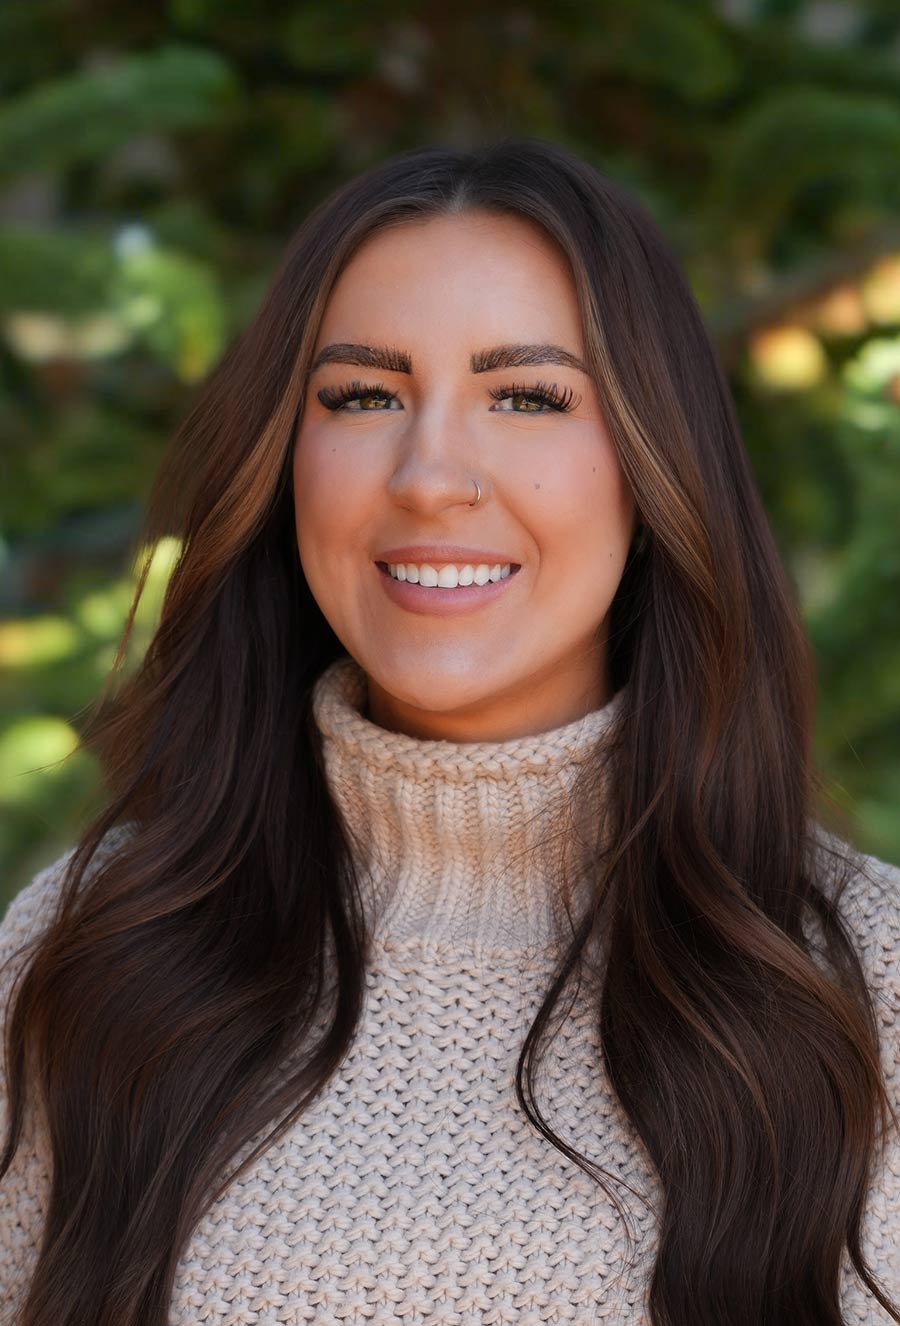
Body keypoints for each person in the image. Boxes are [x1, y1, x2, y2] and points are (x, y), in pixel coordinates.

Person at [1, 138, 898, 1326]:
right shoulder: (95, 951)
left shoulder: (861, 985)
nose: (430, 475)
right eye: (363, 395)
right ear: (286, 460)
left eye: (526, 397)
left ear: (652, 464)